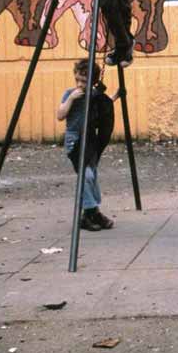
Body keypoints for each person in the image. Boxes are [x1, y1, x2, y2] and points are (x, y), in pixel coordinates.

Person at [56, 58, 119, 231]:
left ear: (93, 81)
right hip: (75, 140)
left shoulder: (93, 95)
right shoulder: (70, 93)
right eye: (77, 80)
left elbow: (103, 106)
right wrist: (70, 99)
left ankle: (92, 213)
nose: (79, 84)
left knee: (92, 175)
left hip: (90, 139)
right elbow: (60, 115)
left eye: (84, 81)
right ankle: (90, 213)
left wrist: (115, 96)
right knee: (87, 176)